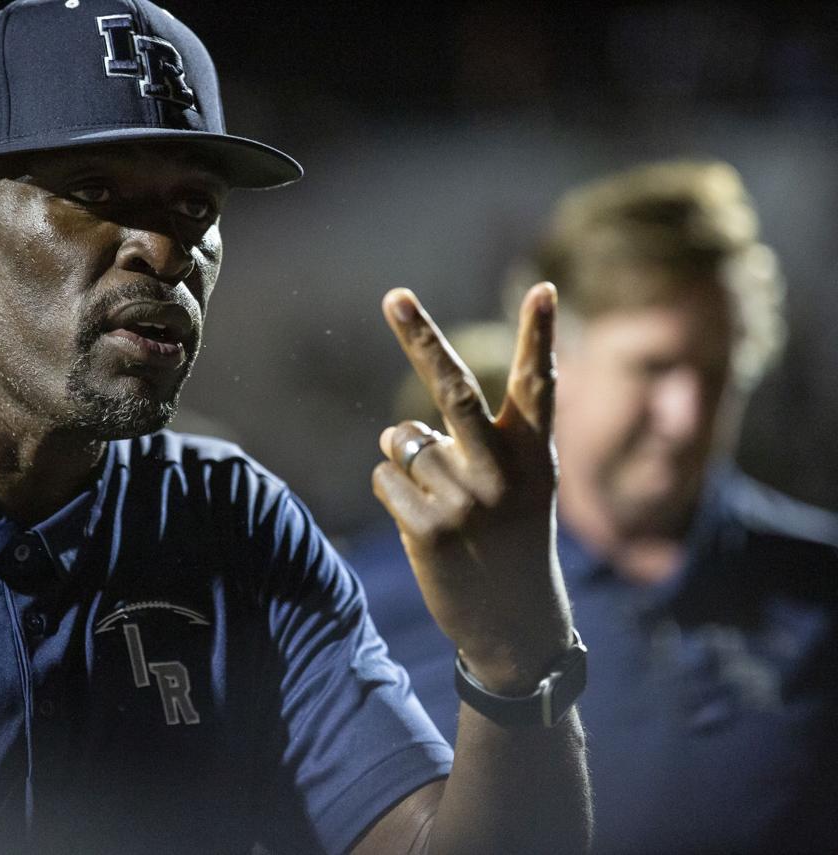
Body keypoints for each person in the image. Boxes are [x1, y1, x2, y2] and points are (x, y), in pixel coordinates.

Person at [0, 1, 591, 852]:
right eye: (95, 190)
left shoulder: (241, 525)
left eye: (194, 205)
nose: (166, 247)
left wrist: (516, 655)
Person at [350, 160, 838, 854]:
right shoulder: (381, 605)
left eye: (717, 371)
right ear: (553, 363)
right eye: (654, 367)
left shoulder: (820, 594)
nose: (686, 414)